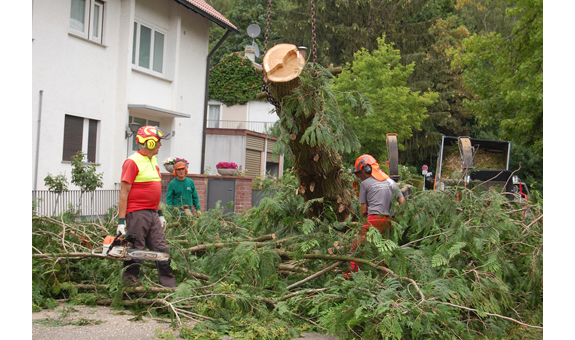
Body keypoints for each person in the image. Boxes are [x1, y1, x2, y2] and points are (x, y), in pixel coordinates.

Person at [117, 125, 176, 287]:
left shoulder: (153, 160)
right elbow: (123, 193)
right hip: (137, 213)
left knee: (162, 250)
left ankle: (169, 288)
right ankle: (129, 289)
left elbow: (153, 190)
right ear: (149, 143)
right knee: (135, 252)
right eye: (158, 142)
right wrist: (121, 222)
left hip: (152, 214)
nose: (160, 145)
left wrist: (160, 213)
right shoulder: (132, 162)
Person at [346, 154, 405, 278]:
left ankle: (351, 274)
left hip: (373, 219)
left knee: (357, 247)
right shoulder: (391, 182)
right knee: (383, 248)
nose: (359, 177)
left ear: (366, 169)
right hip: (390, 220)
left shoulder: (365, 184)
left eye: (359, 173)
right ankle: (384, 275)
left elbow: (363, 211)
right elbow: (403, 203)